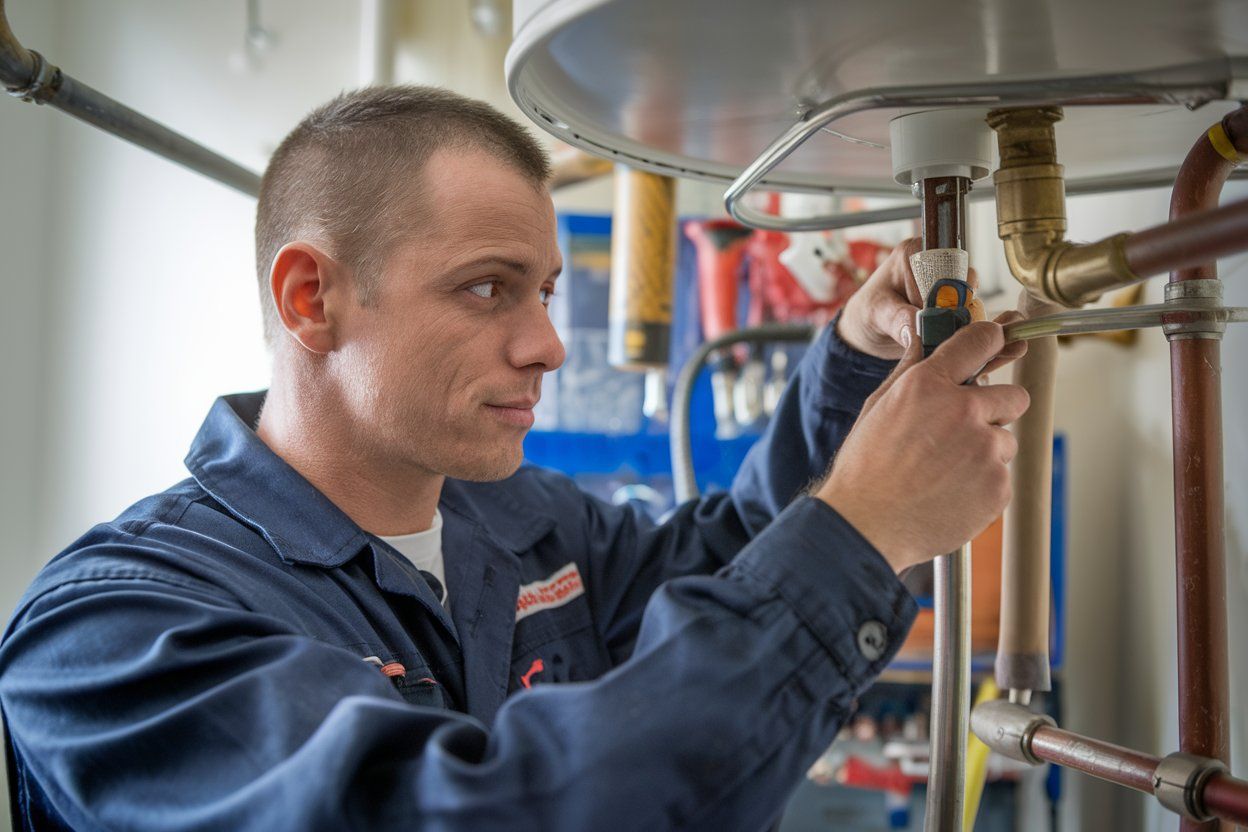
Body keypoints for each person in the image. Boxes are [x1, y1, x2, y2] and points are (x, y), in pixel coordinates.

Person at [0, 86, 1028, 831]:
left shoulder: (521, 522)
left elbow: (738, 559)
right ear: (312, 299)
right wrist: (859, 532)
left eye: (543, 290)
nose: (545, 345)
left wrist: (848, 366)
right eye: (489, 288)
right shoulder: (118, 638)